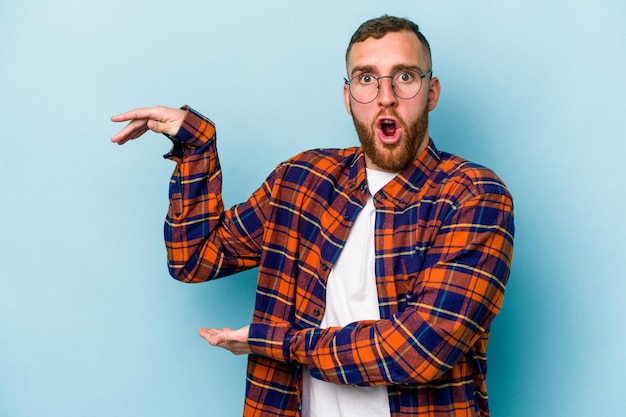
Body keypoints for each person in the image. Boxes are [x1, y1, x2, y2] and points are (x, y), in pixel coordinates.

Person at [110, 15, 514, 417]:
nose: (386, 96)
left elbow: (420, 349)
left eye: (405, 76)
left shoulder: (473, 196)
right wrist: (196, 147)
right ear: (348, 96)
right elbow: (193, 258)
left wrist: (278, 342)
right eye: (367, 79)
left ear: (431, 92)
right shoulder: (303, 180)